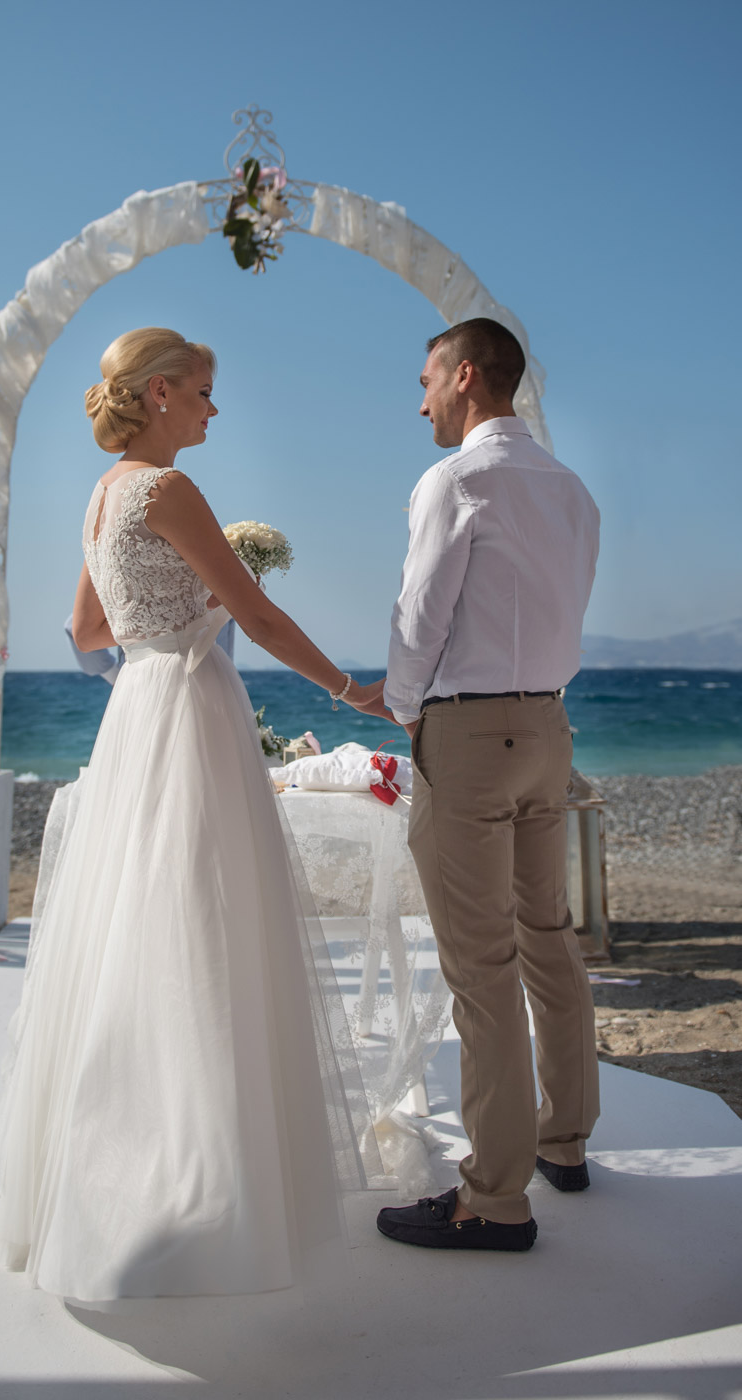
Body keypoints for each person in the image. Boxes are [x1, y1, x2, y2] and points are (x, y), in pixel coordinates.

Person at [0, 326, 386, 1303]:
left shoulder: (102, 495)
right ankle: (201, 1186)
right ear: (160, 392)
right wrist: (347, 689)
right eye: (204, 391)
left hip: (137, 713)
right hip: (190, 709)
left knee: (136, 928)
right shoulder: (167, 491)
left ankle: (120, 1180)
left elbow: (86, 629)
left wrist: (159, 636)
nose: (214, 407)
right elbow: (255, 614)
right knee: (202, 927)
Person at [376, 318, 601, 1253]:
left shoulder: (455, 480)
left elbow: (419, 617)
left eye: (426, 377)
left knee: (481, 966)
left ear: (465, 376)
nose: (419, 396)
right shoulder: (571, 489)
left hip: (469, 732)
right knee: (546, 937)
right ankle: (567, 1141)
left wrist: (401, 708)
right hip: (549, 727)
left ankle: (492, 1197)